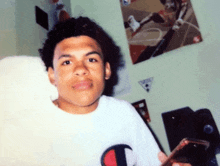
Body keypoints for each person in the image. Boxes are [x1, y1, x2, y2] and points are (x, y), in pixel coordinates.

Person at [40, 16, 191, 165]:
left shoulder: (123, 112)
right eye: (67, 62)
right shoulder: (33, 127)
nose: (81, 69)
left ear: (106, 70)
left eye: (91, 59)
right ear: (52, 75)